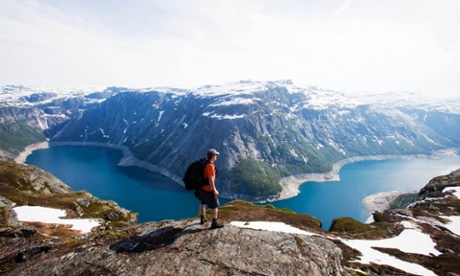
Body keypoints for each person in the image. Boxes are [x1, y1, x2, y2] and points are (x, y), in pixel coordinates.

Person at [196, 148, 224, 229]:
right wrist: (214, 190)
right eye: (216, 155)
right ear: (213, 156)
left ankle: (202, 218)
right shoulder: (210, 166)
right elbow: (210, 179)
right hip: (208, 189)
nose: (216, 156)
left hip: (202, 187)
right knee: (215, 205)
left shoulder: (204, 163)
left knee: (203, 202)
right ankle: (214, 222)